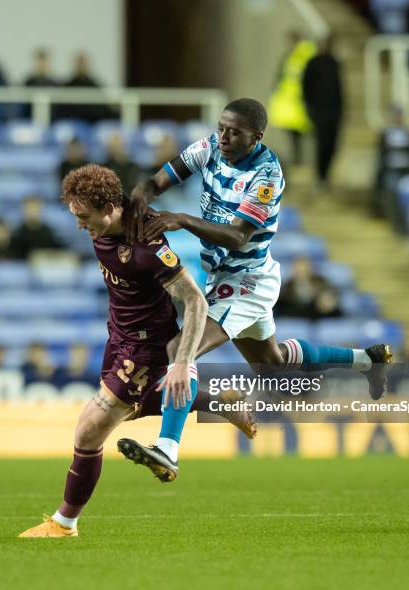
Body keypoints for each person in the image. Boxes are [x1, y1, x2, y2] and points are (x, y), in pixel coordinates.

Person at [122, 97, 393, 478]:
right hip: (224, 278)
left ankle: (168, 448)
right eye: (221, 128)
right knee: (276, 368)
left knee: (180, 348)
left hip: (246, 280)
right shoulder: (209, 148)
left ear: (257, 137)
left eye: (234, 132)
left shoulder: (267, 176)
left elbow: (237, 235)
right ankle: (368, 360)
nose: (224, 137)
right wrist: (141, 195)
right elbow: (161, 178)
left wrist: (181, 218)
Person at [17, 164, 208, 539]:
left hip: (144, 347)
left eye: (83, 217)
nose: (78, 225)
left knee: (89, 431)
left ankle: (64, 523)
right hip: (117, 337)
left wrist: (182, 361)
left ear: (107, 209)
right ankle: (222, 400)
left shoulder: (148, 246)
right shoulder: (107, 220)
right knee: (130, 410)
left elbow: (195, 301)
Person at [302, 34, 344, 192]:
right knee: (322, 144)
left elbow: (339, 90)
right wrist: (310, 109)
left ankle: (327, 175)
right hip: (319, 113)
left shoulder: (335, 63)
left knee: (333, 145)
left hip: (334, 112)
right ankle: (320, 177)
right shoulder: (313, 63)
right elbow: (306, 88)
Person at [268, 31, 316, 166]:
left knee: (302, 134)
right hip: (291, 103)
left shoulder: (301, 55)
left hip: (298, 101)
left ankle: (301, 162)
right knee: (294, 134)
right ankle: (298, 161)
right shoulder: (295, 55)